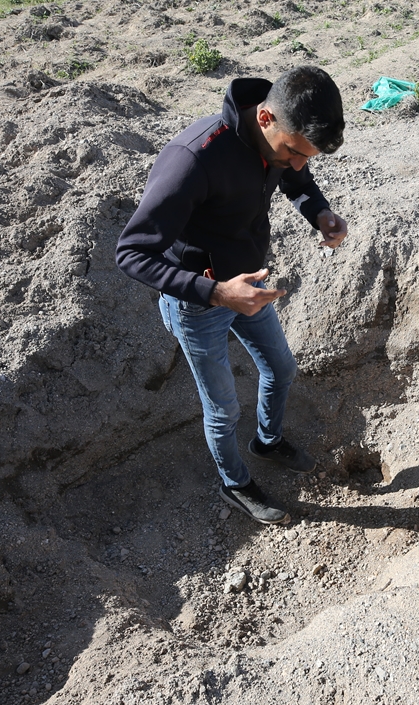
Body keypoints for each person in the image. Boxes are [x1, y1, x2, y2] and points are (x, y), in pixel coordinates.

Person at [116, 66, 347, 526]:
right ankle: (235, 484)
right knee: (222, 408)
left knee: (281, 367)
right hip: (199, 301)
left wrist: (319, 212)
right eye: (295, 152)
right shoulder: (193, 159)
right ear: (265, 120)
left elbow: (294, 177)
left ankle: (267, 440)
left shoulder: (281, 140)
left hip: (249, 286)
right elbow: (131, 253)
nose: (301, 163)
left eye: (309, 155)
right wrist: (218, 292)